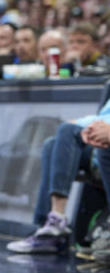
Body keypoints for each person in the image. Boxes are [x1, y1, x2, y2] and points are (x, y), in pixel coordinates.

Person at [7, 82, 110, 254]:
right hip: (100, 140)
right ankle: (46, 227)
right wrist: (85, 125)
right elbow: (104, 118)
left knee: (69, 131)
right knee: (53, 143)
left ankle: (57, 223)